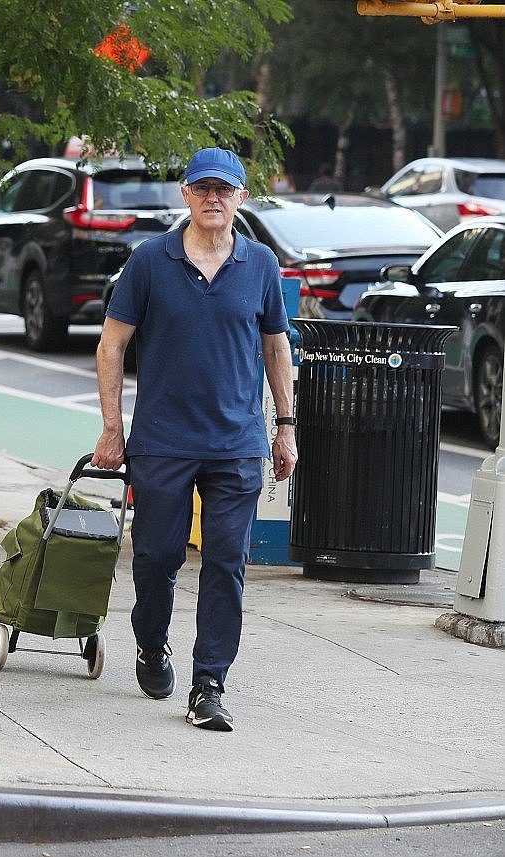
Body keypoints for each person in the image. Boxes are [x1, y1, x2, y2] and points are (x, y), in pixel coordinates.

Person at [92, 147, 297, 732]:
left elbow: (275, 346)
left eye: (224, 190)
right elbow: (112, 346)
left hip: (236, 441)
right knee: (157, 556)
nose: (213, 198)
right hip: (162, 440)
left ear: (241, 197)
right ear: (185, 194)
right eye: (203, 188)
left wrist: (285, 427)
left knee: (226, 563)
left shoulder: (260, 264)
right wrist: (113, 426)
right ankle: (151, 643)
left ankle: (209, 683)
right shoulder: (149, 261)